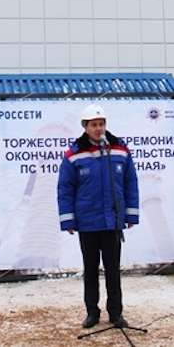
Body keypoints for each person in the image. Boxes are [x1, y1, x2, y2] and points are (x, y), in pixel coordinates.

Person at [57, 104, 139, 329]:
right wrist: (68, 220)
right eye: (93, 125)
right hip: (87, 223)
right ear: (85, 127)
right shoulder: (74, 154)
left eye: (101, 124)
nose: (98, 128)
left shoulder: (119, 149)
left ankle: (116, 313)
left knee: (113, 271)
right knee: (91, 270)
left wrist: (130, 215)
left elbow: (130, 183)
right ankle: (92, 312)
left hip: (112, 222)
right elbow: (65, 188)